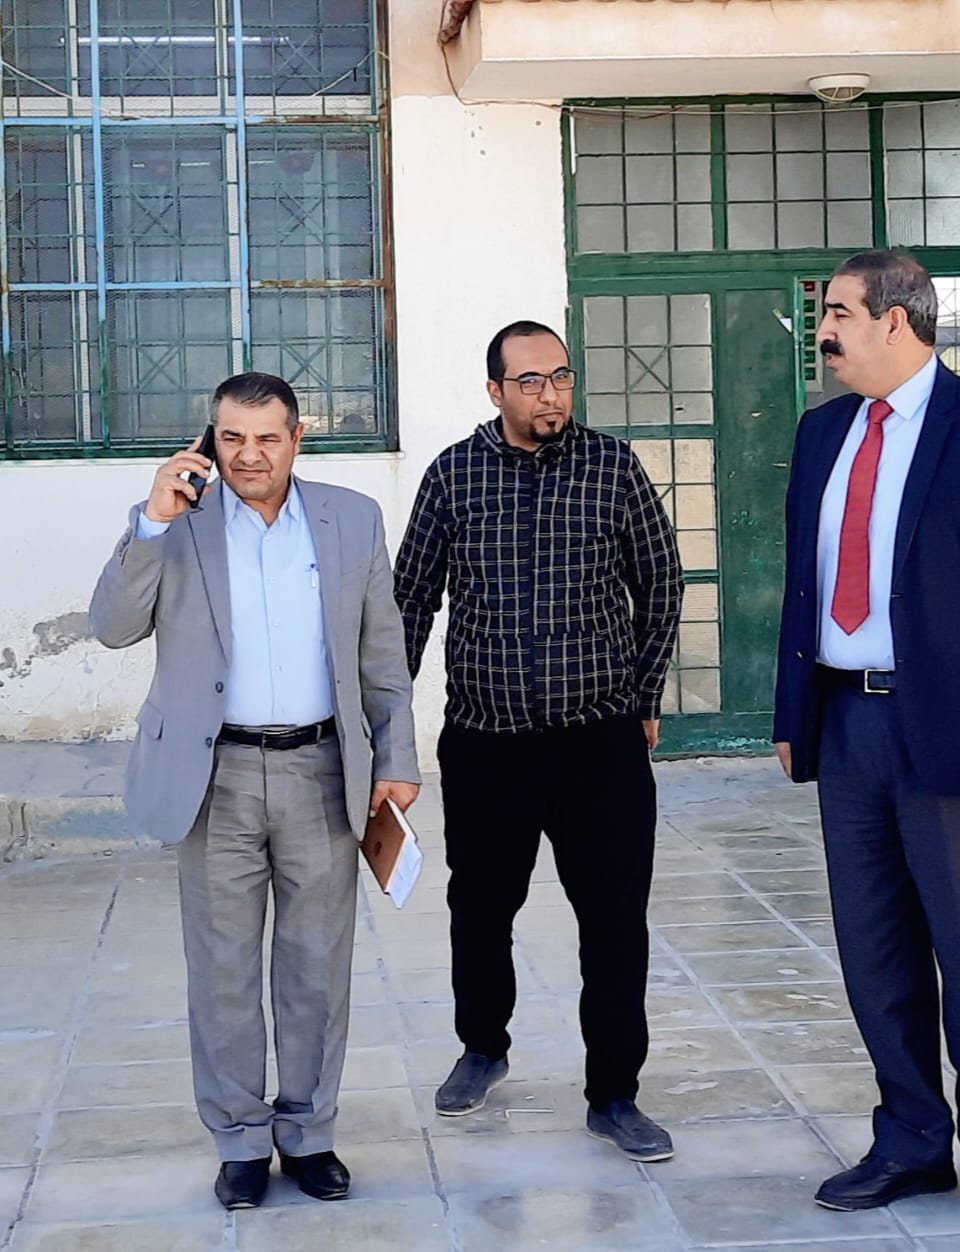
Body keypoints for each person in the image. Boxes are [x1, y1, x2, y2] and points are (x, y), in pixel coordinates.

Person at [772, 250, 960, 1228]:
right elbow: (804, 581)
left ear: (894, 321)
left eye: (837, 313)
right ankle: (909, 1140)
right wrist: (792, 713)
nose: (824, 332)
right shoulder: (823, 433)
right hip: (848, 722)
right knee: (875, 952)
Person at [89, 372, 421, 1211]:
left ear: (297, 438)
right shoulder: (178, 521)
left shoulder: (351, 520)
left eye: (267, 437)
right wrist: (152, 519)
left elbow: (382, 654)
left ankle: (308, 1133)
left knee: (317, 968)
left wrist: (396, 756)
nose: (249, 455)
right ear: (210, 440)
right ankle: (239, 1140)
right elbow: (112, 626)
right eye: (231, 438)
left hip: (321, 770)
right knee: (223, 970)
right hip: (217, 775)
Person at [393, 320, 684, 1161]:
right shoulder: (454, 475)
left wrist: (640, 694)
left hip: (599, 745)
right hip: (488, 744)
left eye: (560, 376)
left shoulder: (612, 467)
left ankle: (614, 1094)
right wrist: (385, 726)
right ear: (495, 391)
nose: (550, 394)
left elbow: (660, 583)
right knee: (480, 910)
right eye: (529, 381)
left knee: (615, 923)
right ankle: (482, 1045)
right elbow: (411, 601)